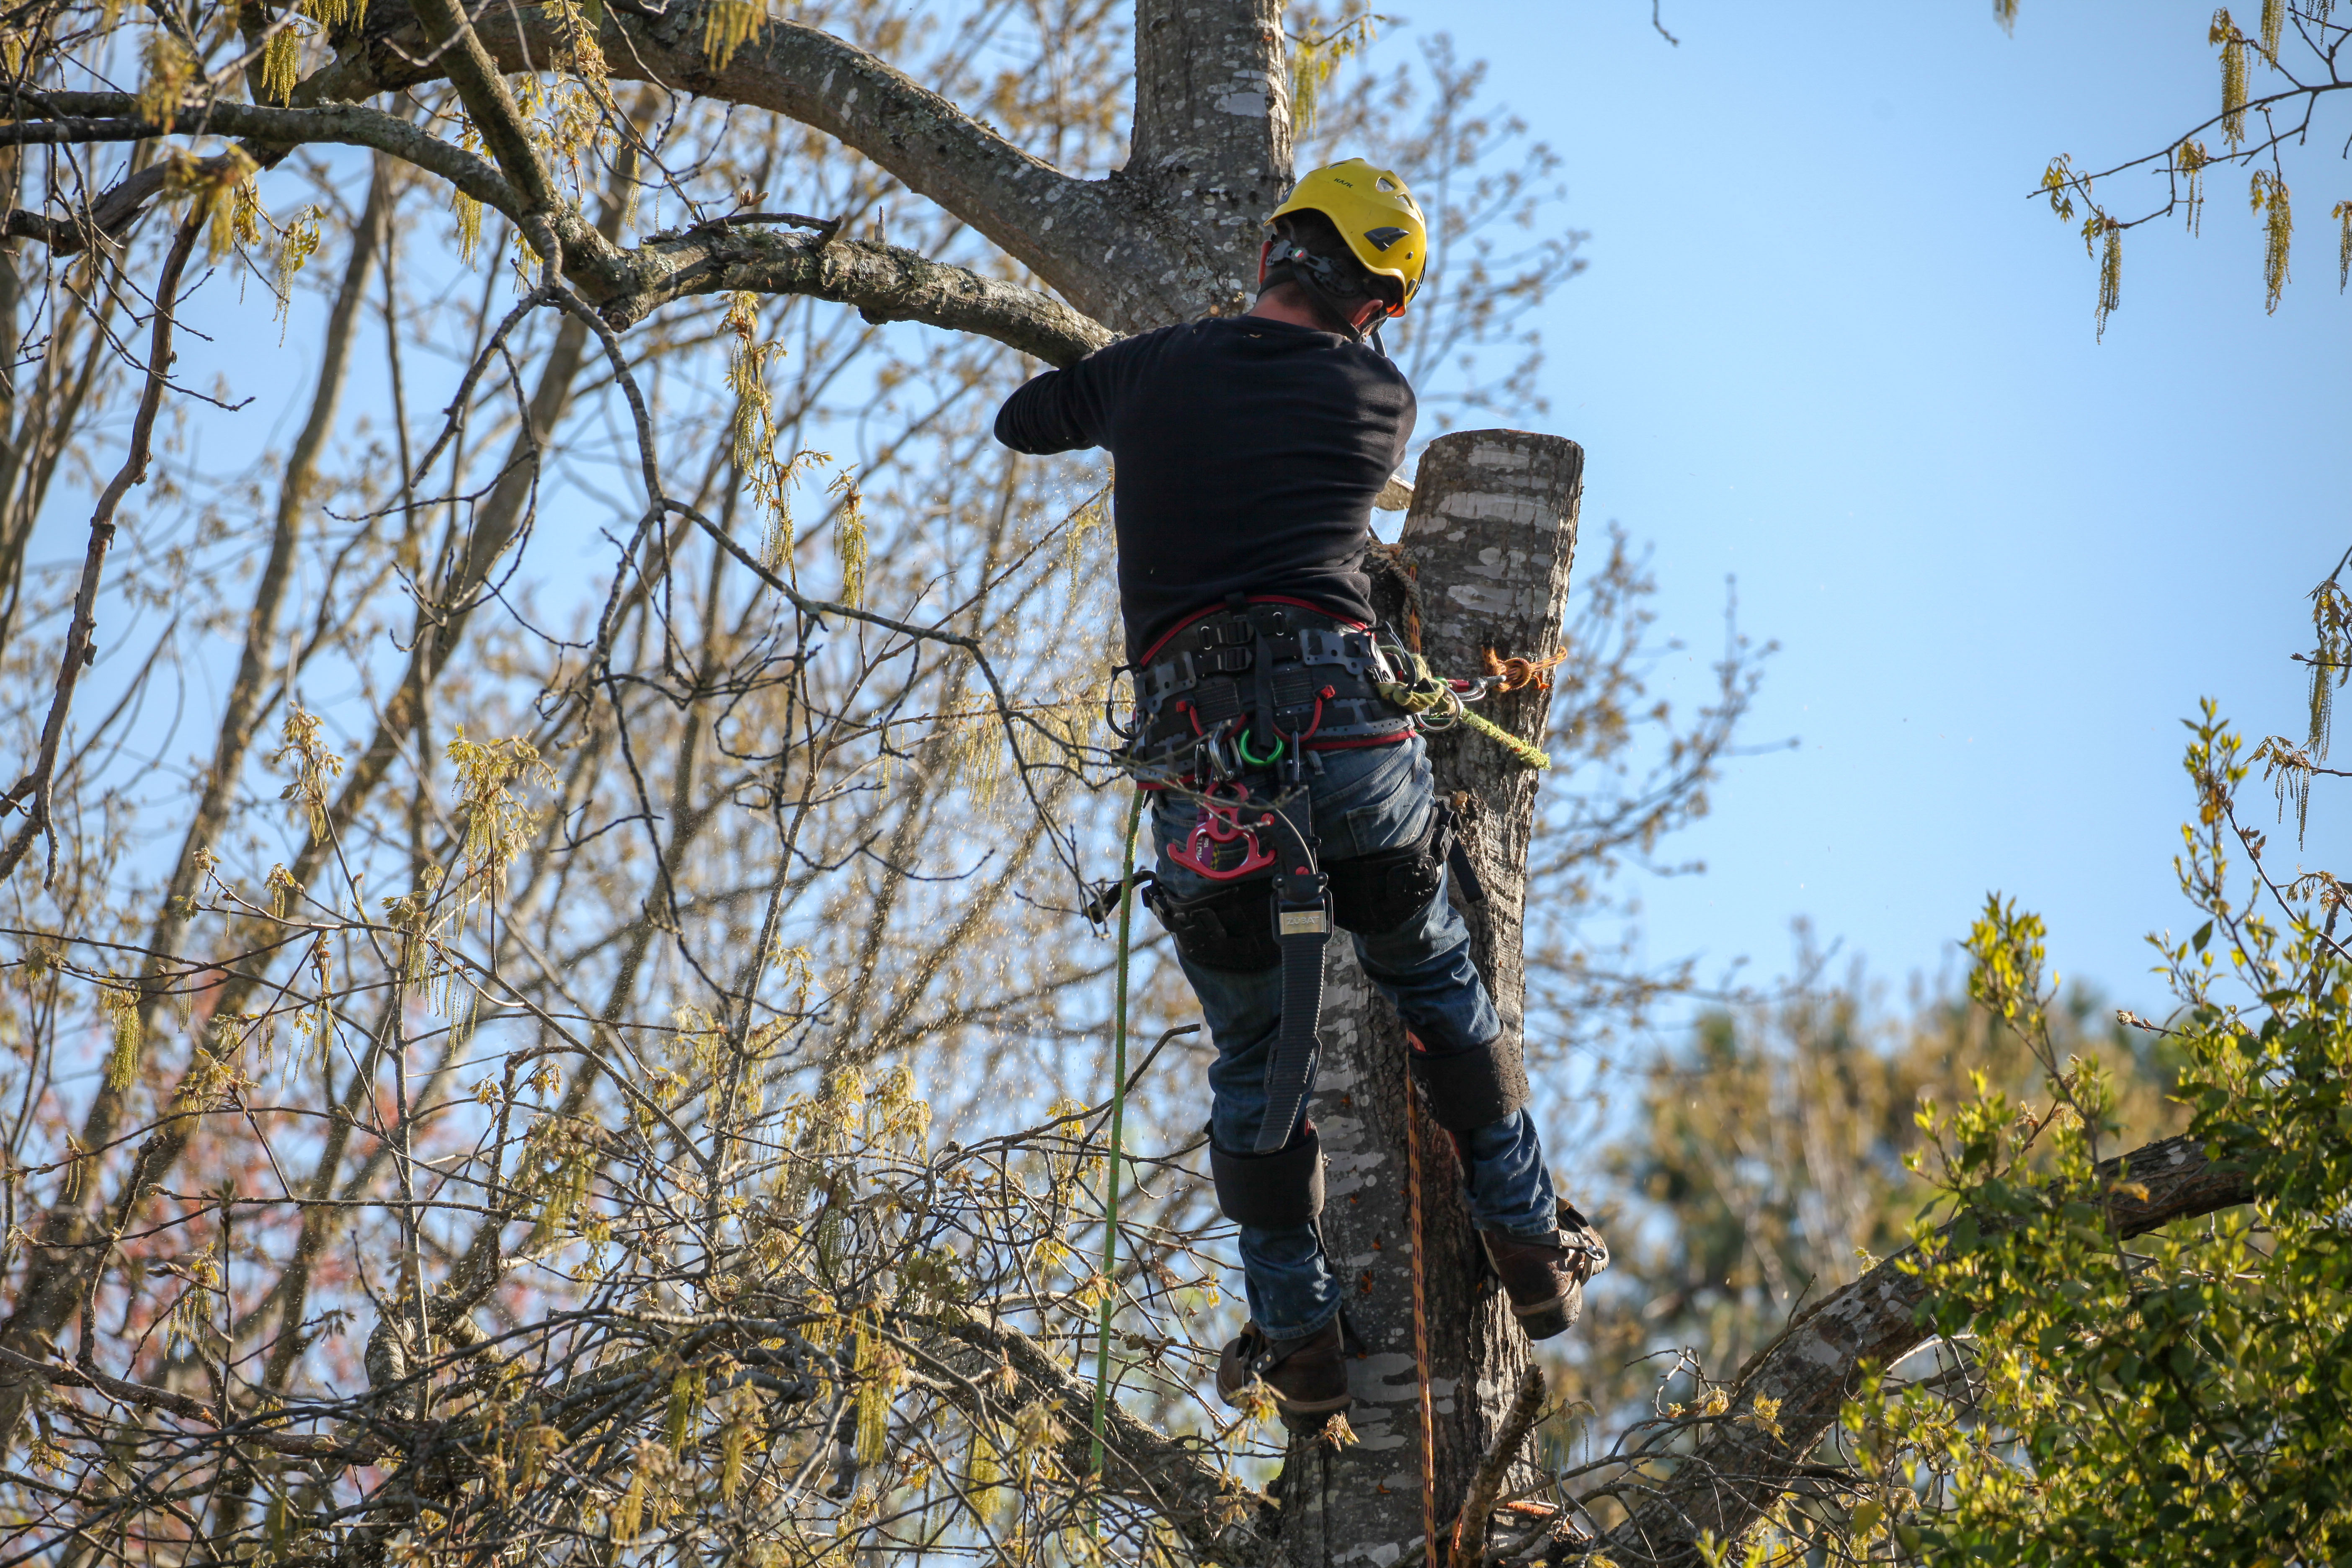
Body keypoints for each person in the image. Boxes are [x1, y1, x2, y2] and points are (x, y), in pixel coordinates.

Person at [993, 160, 1605, 1431]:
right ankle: (1525, 1237)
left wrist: (1126, 387)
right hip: (1347, 738)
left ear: (1277, 248)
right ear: (1377, 304)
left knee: (1254, 1058)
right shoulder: (1378, 396)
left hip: (1206, 771)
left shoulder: (1154, 370)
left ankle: (1300, 1335)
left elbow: (1024, 420)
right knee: (1433, 977)